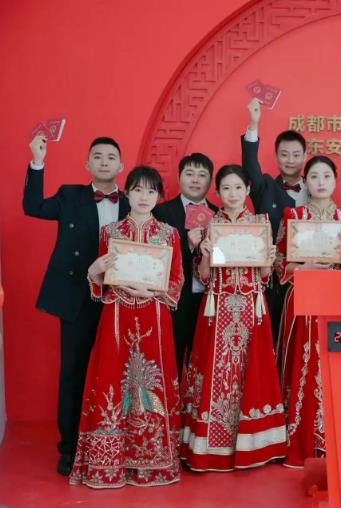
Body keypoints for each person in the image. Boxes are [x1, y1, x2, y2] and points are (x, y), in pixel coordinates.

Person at [69, 166, 183, 488]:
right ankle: (108, 463)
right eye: (137, 189)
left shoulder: (169, 234)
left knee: (152, 383)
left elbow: (176, 280)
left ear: (159, 196)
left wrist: (154, 292)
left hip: (154, 316)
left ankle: (152, 462)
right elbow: (100, 282)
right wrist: (94, 272)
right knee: (111, 379)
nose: (144, 197)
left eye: (151, 191)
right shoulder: (110, 232)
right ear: (127, 193)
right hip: (116, 315)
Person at [23, 134, 129, 475]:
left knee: (121, 373)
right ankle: (69, 448)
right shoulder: (70, 195)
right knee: (73, 373)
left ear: (121, 165)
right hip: (77, 299)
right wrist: (38, 161)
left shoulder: (134, 202)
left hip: (121, 300)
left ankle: (120, 445)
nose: (104, 161)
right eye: (97, 156)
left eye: (110, 157)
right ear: (87, 164)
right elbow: (33, 207)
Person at [180, 165, 287, 471]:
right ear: (217, 192)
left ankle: (252, 445)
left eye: (238, 187)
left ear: (248, 190)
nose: (232, 193)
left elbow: (265, 275)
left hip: (252, 306)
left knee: (253, 371)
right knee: (215, 372)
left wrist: (267, 260)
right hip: (218, 307)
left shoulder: (261, 223)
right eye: (226, 188)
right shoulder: (209, 225)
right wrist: (204, 253)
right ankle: (213, 447)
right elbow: (203, 277)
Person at [275, 155, 341, 468]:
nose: (320, 182)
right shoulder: (293, 215)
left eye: (326, 176)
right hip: (302, 298)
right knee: (303, 363)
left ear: (335, 180)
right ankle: (297, 438)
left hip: (336, 300)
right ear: (305, 181)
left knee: (333, 365)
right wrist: (303, 267)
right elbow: (278, 262)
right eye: (314, 176)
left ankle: (332, 440)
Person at [241, 99, 307, 344]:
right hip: (274, 281)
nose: (290, 160)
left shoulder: (317, 188)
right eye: (284, 154)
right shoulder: (265, 187)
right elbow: (250, 167)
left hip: (310, 278)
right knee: (274, 340)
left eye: (296, 155)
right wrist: (253, 124)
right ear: (276, 156)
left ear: (305, 156)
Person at [153, 153, 218, 376]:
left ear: (210, 181)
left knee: (204, 364)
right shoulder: (161, 212)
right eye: (190, 174)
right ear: (179, 177)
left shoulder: (219, 215)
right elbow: (156, 259)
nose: (195, 180)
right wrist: (187, 245)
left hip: (209, 301)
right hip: (175, 302)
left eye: (202, 175)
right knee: (171, 361)